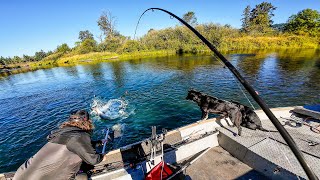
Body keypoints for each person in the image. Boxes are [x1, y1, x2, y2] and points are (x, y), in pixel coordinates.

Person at [13, 110, 106, 180]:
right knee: (83, 177)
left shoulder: (61, 133)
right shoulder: (81, 135)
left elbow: (75, 145)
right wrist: (102, 157)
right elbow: (93, 160)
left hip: (20, 175)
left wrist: (98, 142)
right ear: (87, 121)